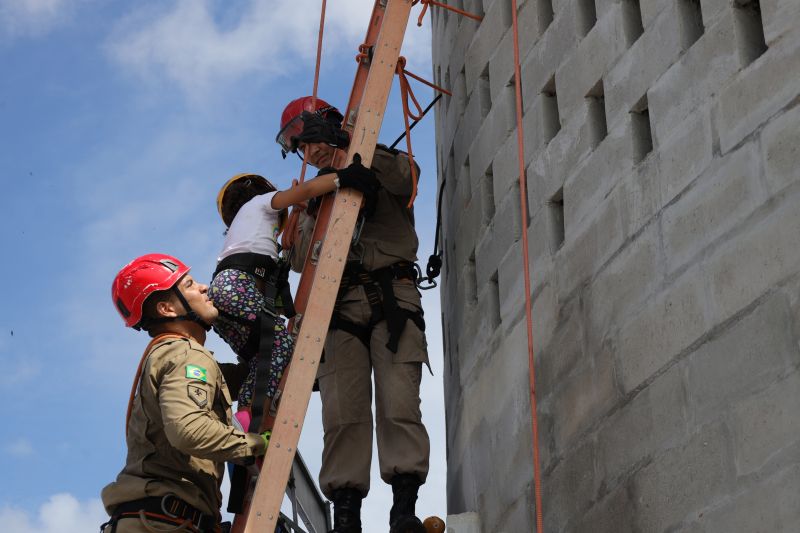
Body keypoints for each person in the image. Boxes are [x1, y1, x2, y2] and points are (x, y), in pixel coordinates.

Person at [277, 96, 431, 533]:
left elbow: (408, 178)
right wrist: (309, 204)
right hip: (336, 307)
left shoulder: (379, 160)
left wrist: (363, 157)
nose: (310, 153)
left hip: (391, 296)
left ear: (330, 126)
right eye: (301, 149)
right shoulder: (315, 197)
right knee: (342, 413)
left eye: (312, 140)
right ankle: (347, 516)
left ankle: (404, 509)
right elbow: (298, 260)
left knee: (400, 401)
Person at [100, 253, 270, 533]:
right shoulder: (186, 354)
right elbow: (188, 430)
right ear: (167, 309)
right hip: (165, 522)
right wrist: (257, 444)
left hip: (155, 517)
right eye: (190, 284)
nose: (204, 288)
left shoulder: (168, 355)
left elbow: (236, 381)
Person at [209, 162, 376, 434]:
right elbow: (308, 189)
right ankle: (246, 419)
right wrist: (343, 177)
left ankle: (245, 418)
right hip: (239, 286)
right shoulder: (262, 203)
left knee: (260, 358)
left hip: (224, 291)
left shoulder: (245, 230)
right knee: (280, 346)